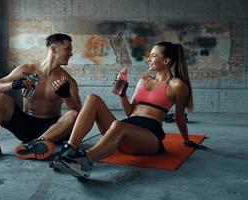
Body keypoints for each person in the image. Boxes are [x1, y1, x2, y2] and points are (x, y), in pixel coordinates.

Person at [51, 42, 199, 179]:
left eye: (153, 55)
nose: (149, 58)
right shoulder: (144, 80)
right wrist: (122, 95)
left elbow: (179, 117)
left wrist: (186, 141)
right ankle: (70, 149)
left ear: (166, 61)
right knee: (93, 99)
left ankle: (84, 162)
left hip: (149, 137)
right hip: (127, 129)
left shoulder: (177, 85)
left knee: (118, 125)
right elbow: (130, 113)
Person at [0, 33, 82, 160]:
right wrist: (13, 85)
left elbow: (79, 114)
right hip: (25, 125)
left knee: (73, 114)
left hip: (52, 129)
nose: (71, 53)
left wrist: (66, 96)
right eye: (67, 49)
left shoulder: (67, 80)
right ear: (53, 49)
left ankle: (37, 144)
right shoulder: (27, 69)